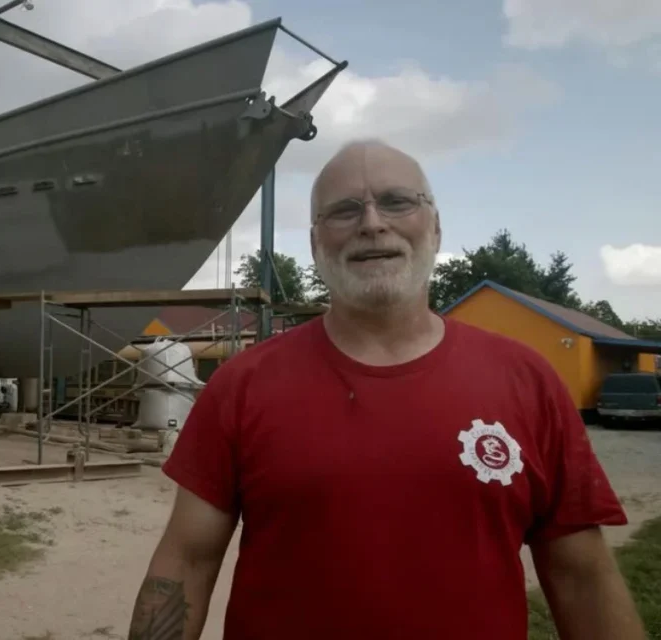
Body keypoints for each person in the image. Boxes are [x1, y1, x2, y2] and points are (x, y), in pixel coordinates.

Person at [126, 139, 645, 639]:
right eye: (344, 210)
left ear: (436, 228)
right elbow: (187, 562)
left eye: (397, 202)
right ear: (315, 243)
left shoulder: (528, 381)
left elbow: (582, 576)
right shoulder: (242, 385)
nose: (372, 223)